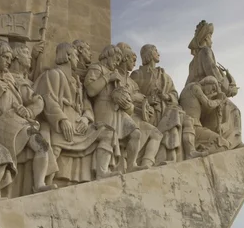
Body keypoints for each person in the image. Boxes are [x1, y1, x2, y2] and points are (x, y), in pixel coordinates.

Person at [34, 42, 120, 186]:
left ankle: (102, 172)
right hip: (61, 124)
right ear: (67, 56)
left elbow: (86, 104)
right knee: (55, 145)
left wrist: (86, 119)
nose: (77, 59)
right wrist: (62, 120)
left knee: (108, 133)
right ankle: (44, 182)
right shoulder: (53, 74)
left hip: (78, 124)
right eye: (75, 56)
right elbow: (48, 99)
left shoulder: (76, 81)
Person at [0, 40, 55, 196]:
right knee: (1, 158)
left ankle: (39, 184)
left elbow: (17, 96)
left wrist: (22, 108)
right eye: (6, 58)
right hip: (0, 121)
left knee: (41, 145)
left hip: (15, 120)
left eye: (10, 58)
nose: (9, 61)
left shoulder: (9, 77)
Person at [84, 44, 142, 172]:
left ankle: (132, 165)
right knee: (109, 135)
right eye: (115, 59)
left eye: (118, 60)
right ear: (107, 55)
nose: (117, 63)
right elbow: (91, 90)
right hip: (103, 107)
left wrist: (126, 103)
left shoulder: (114, 73)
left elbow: (124, 98)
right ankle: (102, 171)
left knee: (135, 133)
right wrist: (107, 78)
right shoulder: (97, 68)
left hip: (118, 111)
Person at [131, 44, 193, 163]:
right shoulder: (138, 74)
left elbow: (174, 93)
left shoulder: (165, 76)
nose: (158, 53)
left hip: (165, 108)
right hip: (148, 112)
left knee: (177, 116)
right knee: (173, 115)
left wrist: (167, 96)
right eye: (155, 51)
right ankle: (158, 158)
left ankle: (171, 156)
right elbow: (132, 94)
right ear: (148, 54)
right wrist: (147, 100)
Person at [186, 20, 242, 149]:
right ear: (206, 37)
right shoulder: (206, 51)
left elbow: (188, 83)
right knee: (234, 111)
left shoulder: (192, 62)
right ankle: (234, 144)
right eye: (210, 36)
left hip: (198, 96)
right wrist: (230, 89)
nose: (212, 40)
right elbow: (213, 72)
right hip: (209, 93)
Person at [115, 42, 163, 170]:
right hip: (119, 116)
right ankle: (129, 161)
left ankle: (147, 164)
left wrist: (146, 106)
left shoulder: (132, 82)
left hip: (133, 115)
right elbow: (121, 98)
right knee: (136, 133)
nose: (135, 63)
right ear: (125, 59)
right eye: (133, 60)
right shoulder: (115, 76)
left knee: (156, 134)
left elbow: (140, 98)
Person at [179, 76, 229, 156]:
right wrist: (219, 100)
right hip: (193, 126)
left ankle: (203, 153)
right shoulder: (195, 87)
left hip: (191, 124)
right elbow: (208, 104)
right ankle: (203, 154)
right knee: (223, 143)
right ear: (206, 83)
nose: (211, 91)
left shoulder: (190, 88)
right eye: (212, 88)